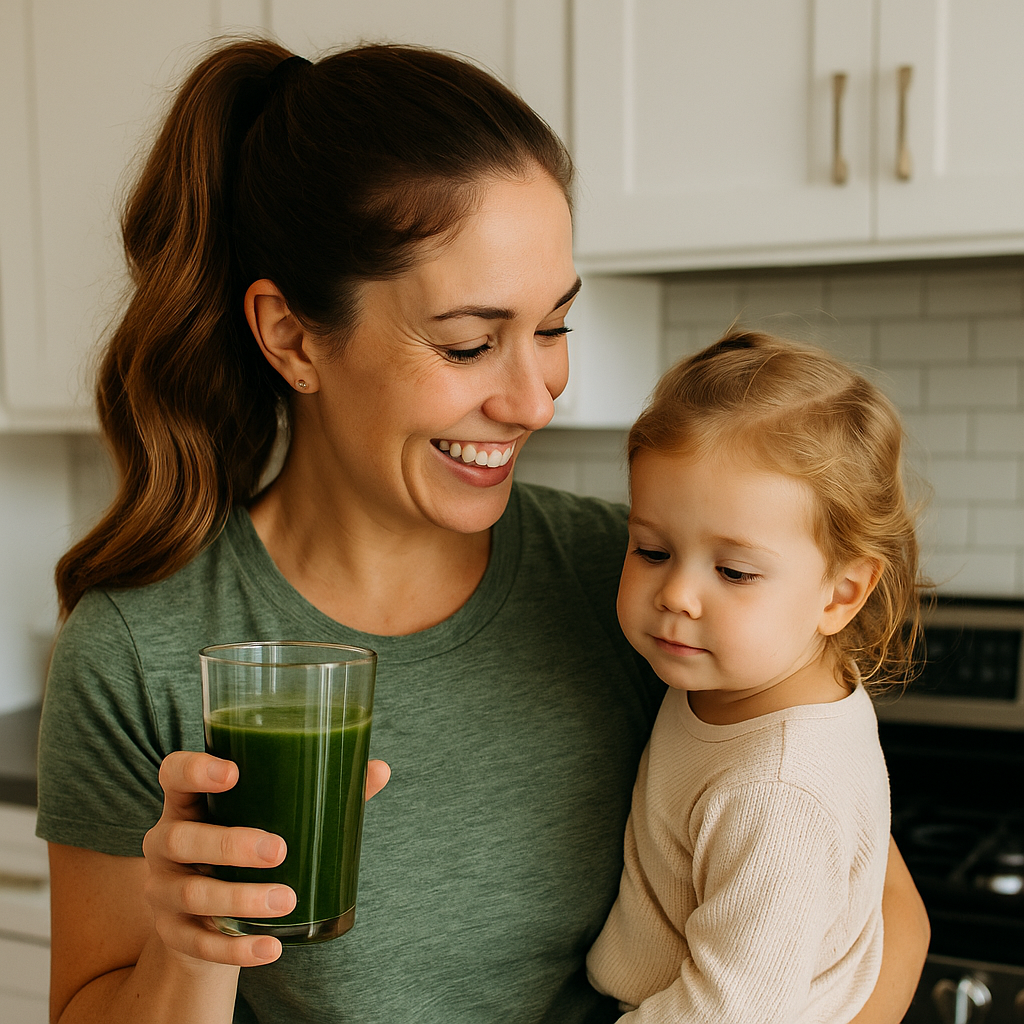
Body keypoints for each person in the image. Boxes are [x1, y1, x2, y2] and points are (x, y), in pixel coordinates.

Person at [35, 39, 928, 1024]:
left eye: (552, 328)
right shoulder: (140, 648)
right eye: (468, 342)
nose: (534, 397)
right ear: (291, 335)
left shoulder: (639, 583)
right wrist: (193, 950)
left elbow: (879, 913)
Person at [586, 332, 930, 1023]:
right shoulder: (746, 676)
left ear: (840, 595)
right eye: (651, 549)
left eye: (734, 571)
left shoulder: (780, 792)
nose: (677, 594)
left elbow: (727, 1013)